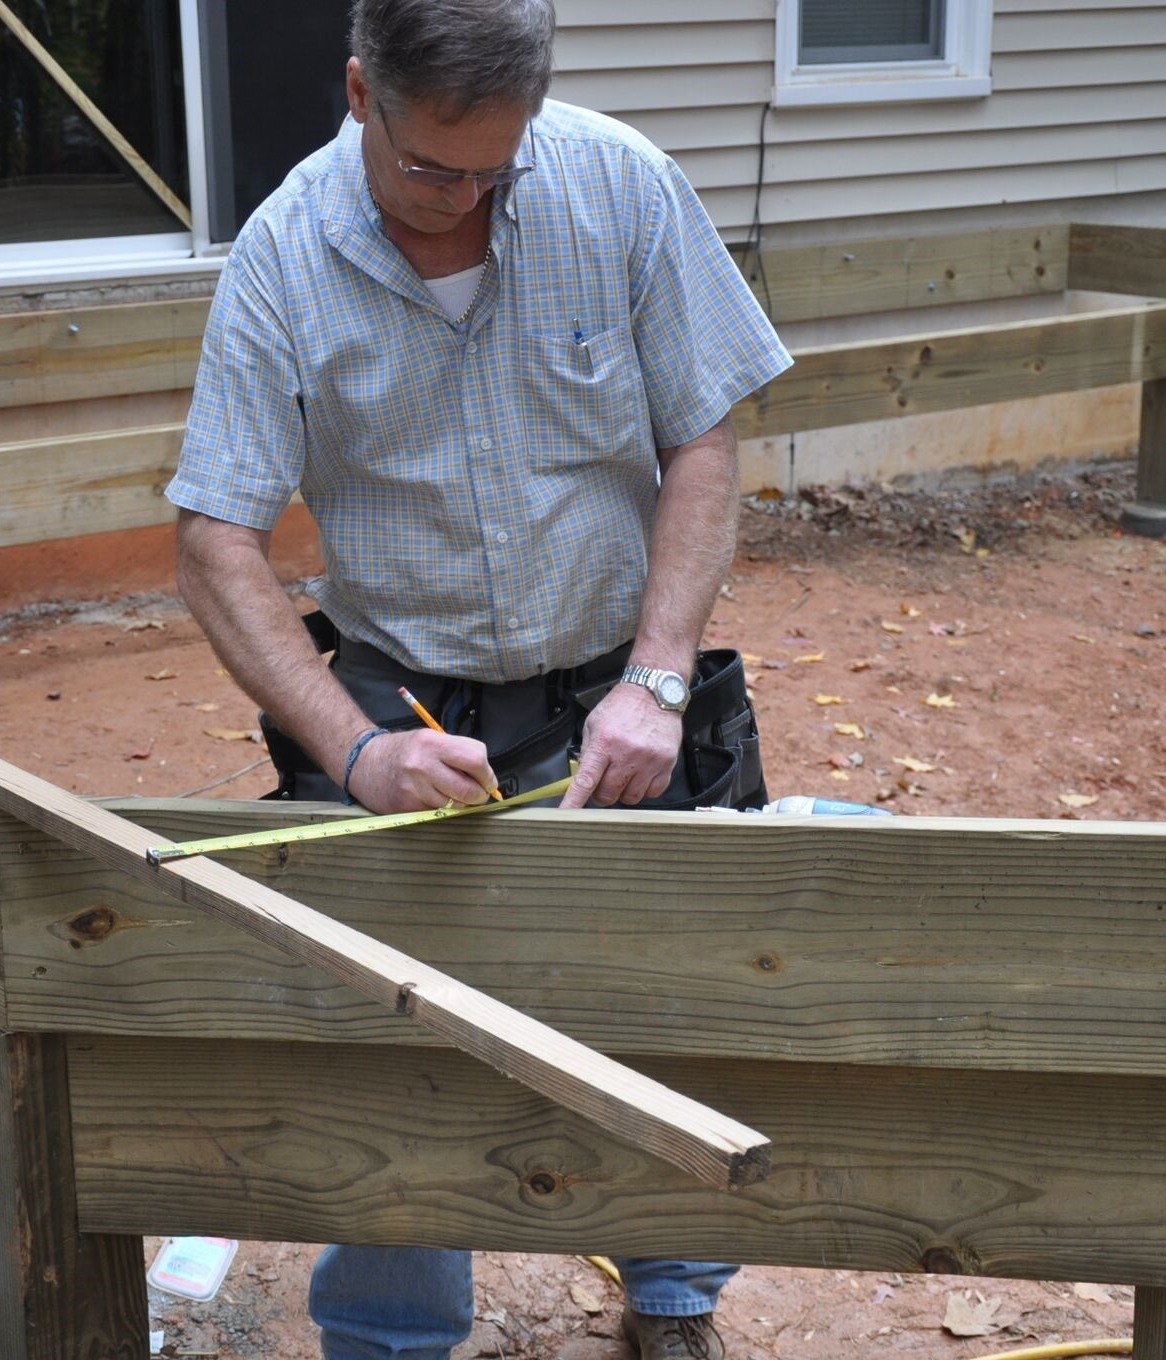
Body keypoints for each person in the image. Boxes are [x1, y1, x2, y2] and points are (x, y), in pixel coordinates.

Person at [165, 2, 790, 1355]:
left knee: (652, 1003)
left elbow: (704, 438)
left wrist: (663, 680)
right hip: (409, 708)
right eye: (432, 170)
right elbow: (216, 540)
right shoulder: (282, 255)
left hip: (619, 694)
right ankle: (391, 1339)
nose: (464, 202)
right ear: (357, 93)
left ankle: (673, 1293)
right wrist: (349, 748)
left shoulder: (619, 184)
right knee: (400, 1035)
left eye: (495, 173)